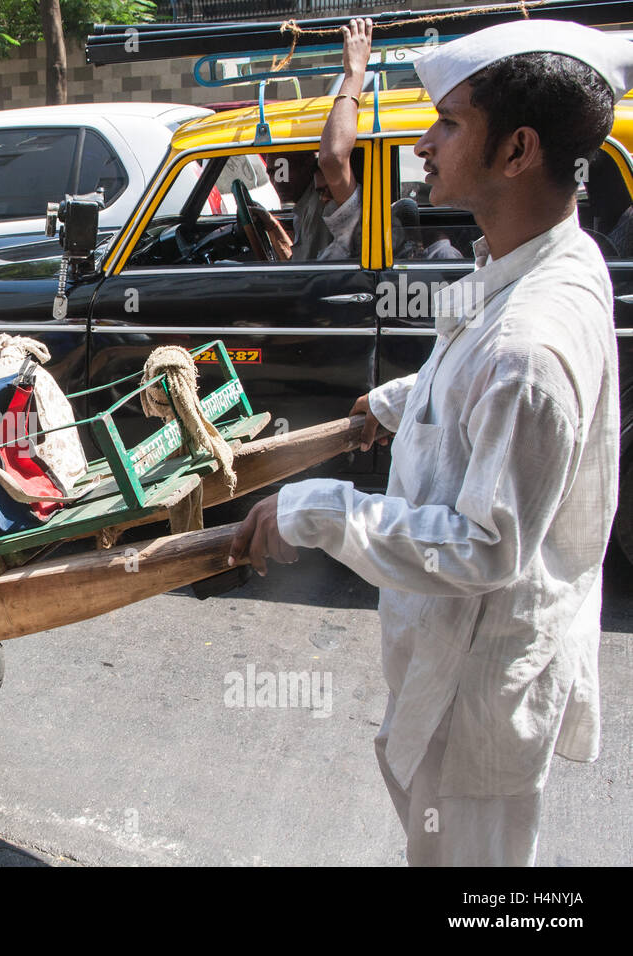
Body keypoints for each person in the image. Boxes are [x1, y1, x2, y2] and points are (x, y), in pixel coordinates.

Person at [229, 20, 631, 865]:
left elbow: (484, 548)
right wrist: (392, 403)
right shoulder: (543, 260)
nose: (423, 140)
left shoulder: (532, 344)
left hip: (476, 674)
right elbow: (468, 377)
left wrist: (318, 512)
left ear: (517, 149)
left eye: (448, 122)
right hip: (460, 651)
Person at [254, 18, 371, 261]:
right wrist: (273, 228)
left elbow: (333, 159)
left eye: (327, 190)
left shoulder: (349, 216)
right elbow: (301, 262)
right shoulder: (315, 214)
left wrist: (354, 74)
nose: (324, 199)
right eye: (273, 170)